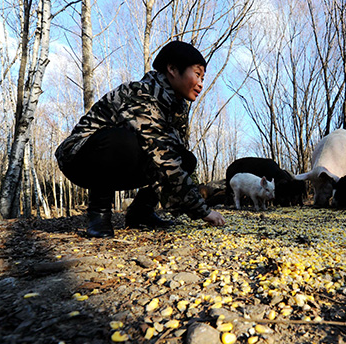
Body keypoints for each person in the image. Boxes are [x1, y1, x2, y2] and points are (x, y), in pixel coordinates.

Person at [55, 41, 225, 237]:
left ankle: (141, 212)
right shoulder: (139, 93)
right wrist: (202, 211)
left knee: (186, 158)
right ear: (172, 69)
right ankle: (99, 214)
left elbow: (172, 159)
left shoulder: (177, 108)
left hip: (118, 165)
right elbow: (163, 156)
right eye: (197, 74)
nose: (201, 84)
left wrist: (192, 201)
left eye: (203, 78)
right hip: (79, 159)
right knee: (124, 140)